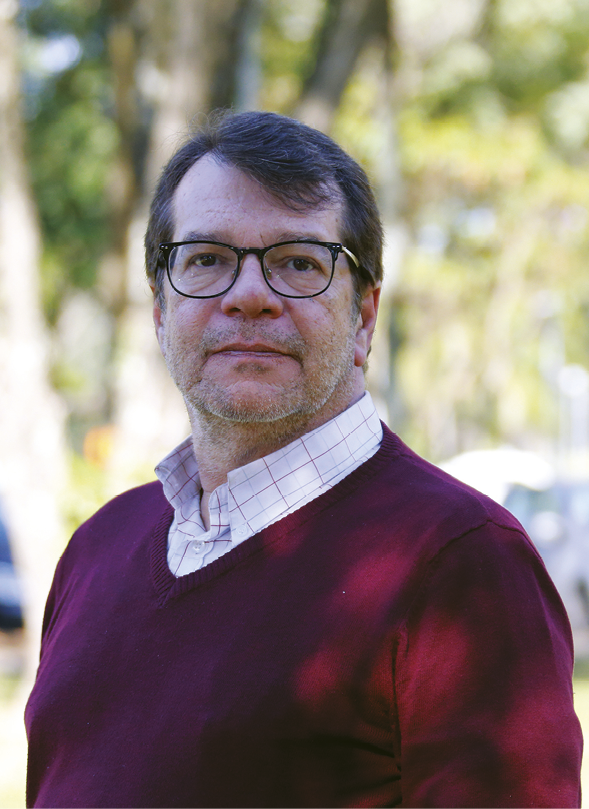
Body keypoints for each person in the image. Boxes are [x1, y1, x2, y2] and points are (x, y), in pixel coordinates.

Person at [25, 111, 582, 808]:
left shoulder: (460, 560)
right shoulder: (97, 549)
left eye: (297, 262)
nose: (249, 295)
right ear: (161, 310)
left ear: (363, 317)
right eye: (205, 259)